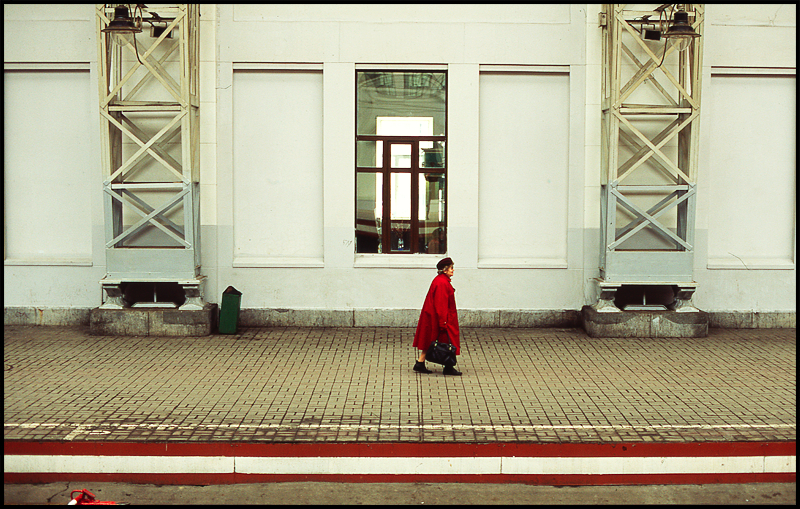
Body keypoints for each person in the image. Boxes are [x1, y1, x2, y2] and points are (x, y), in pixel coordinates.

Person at [412, 257, 462, 376]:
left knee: (432, 340)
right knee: (447, 341)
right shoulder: (442, 283)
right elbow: (441, 303)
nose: (453, 270)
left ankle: (420, 362)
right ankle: (448, 366)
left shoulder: (440, 280)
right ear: (444, 270)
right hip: (442, 317)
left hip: (435, 316)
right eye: (451, 268)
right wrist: (443, 322)